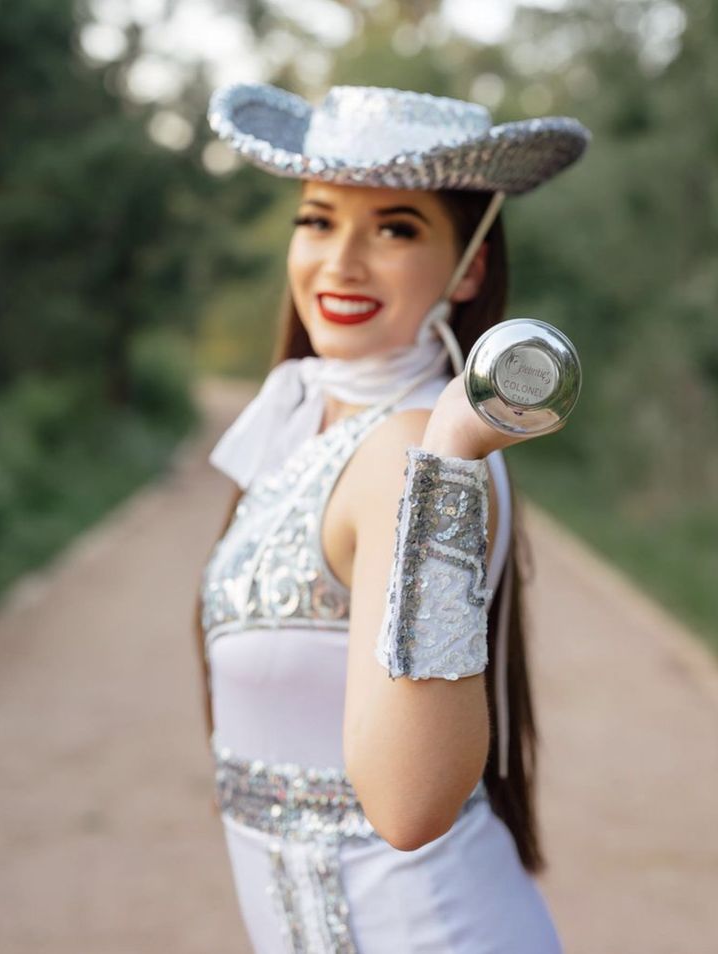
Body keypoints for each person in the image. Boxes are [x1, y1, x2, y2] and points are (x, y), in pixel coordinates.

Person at [197, 82, 590, 953]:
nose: (341, 261)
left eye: (396, 227)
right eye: (318, 219)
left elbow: (410, 807)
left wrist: (449, 455)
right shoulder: (300, 427)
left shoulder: (412, 444)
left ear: (470, 265)